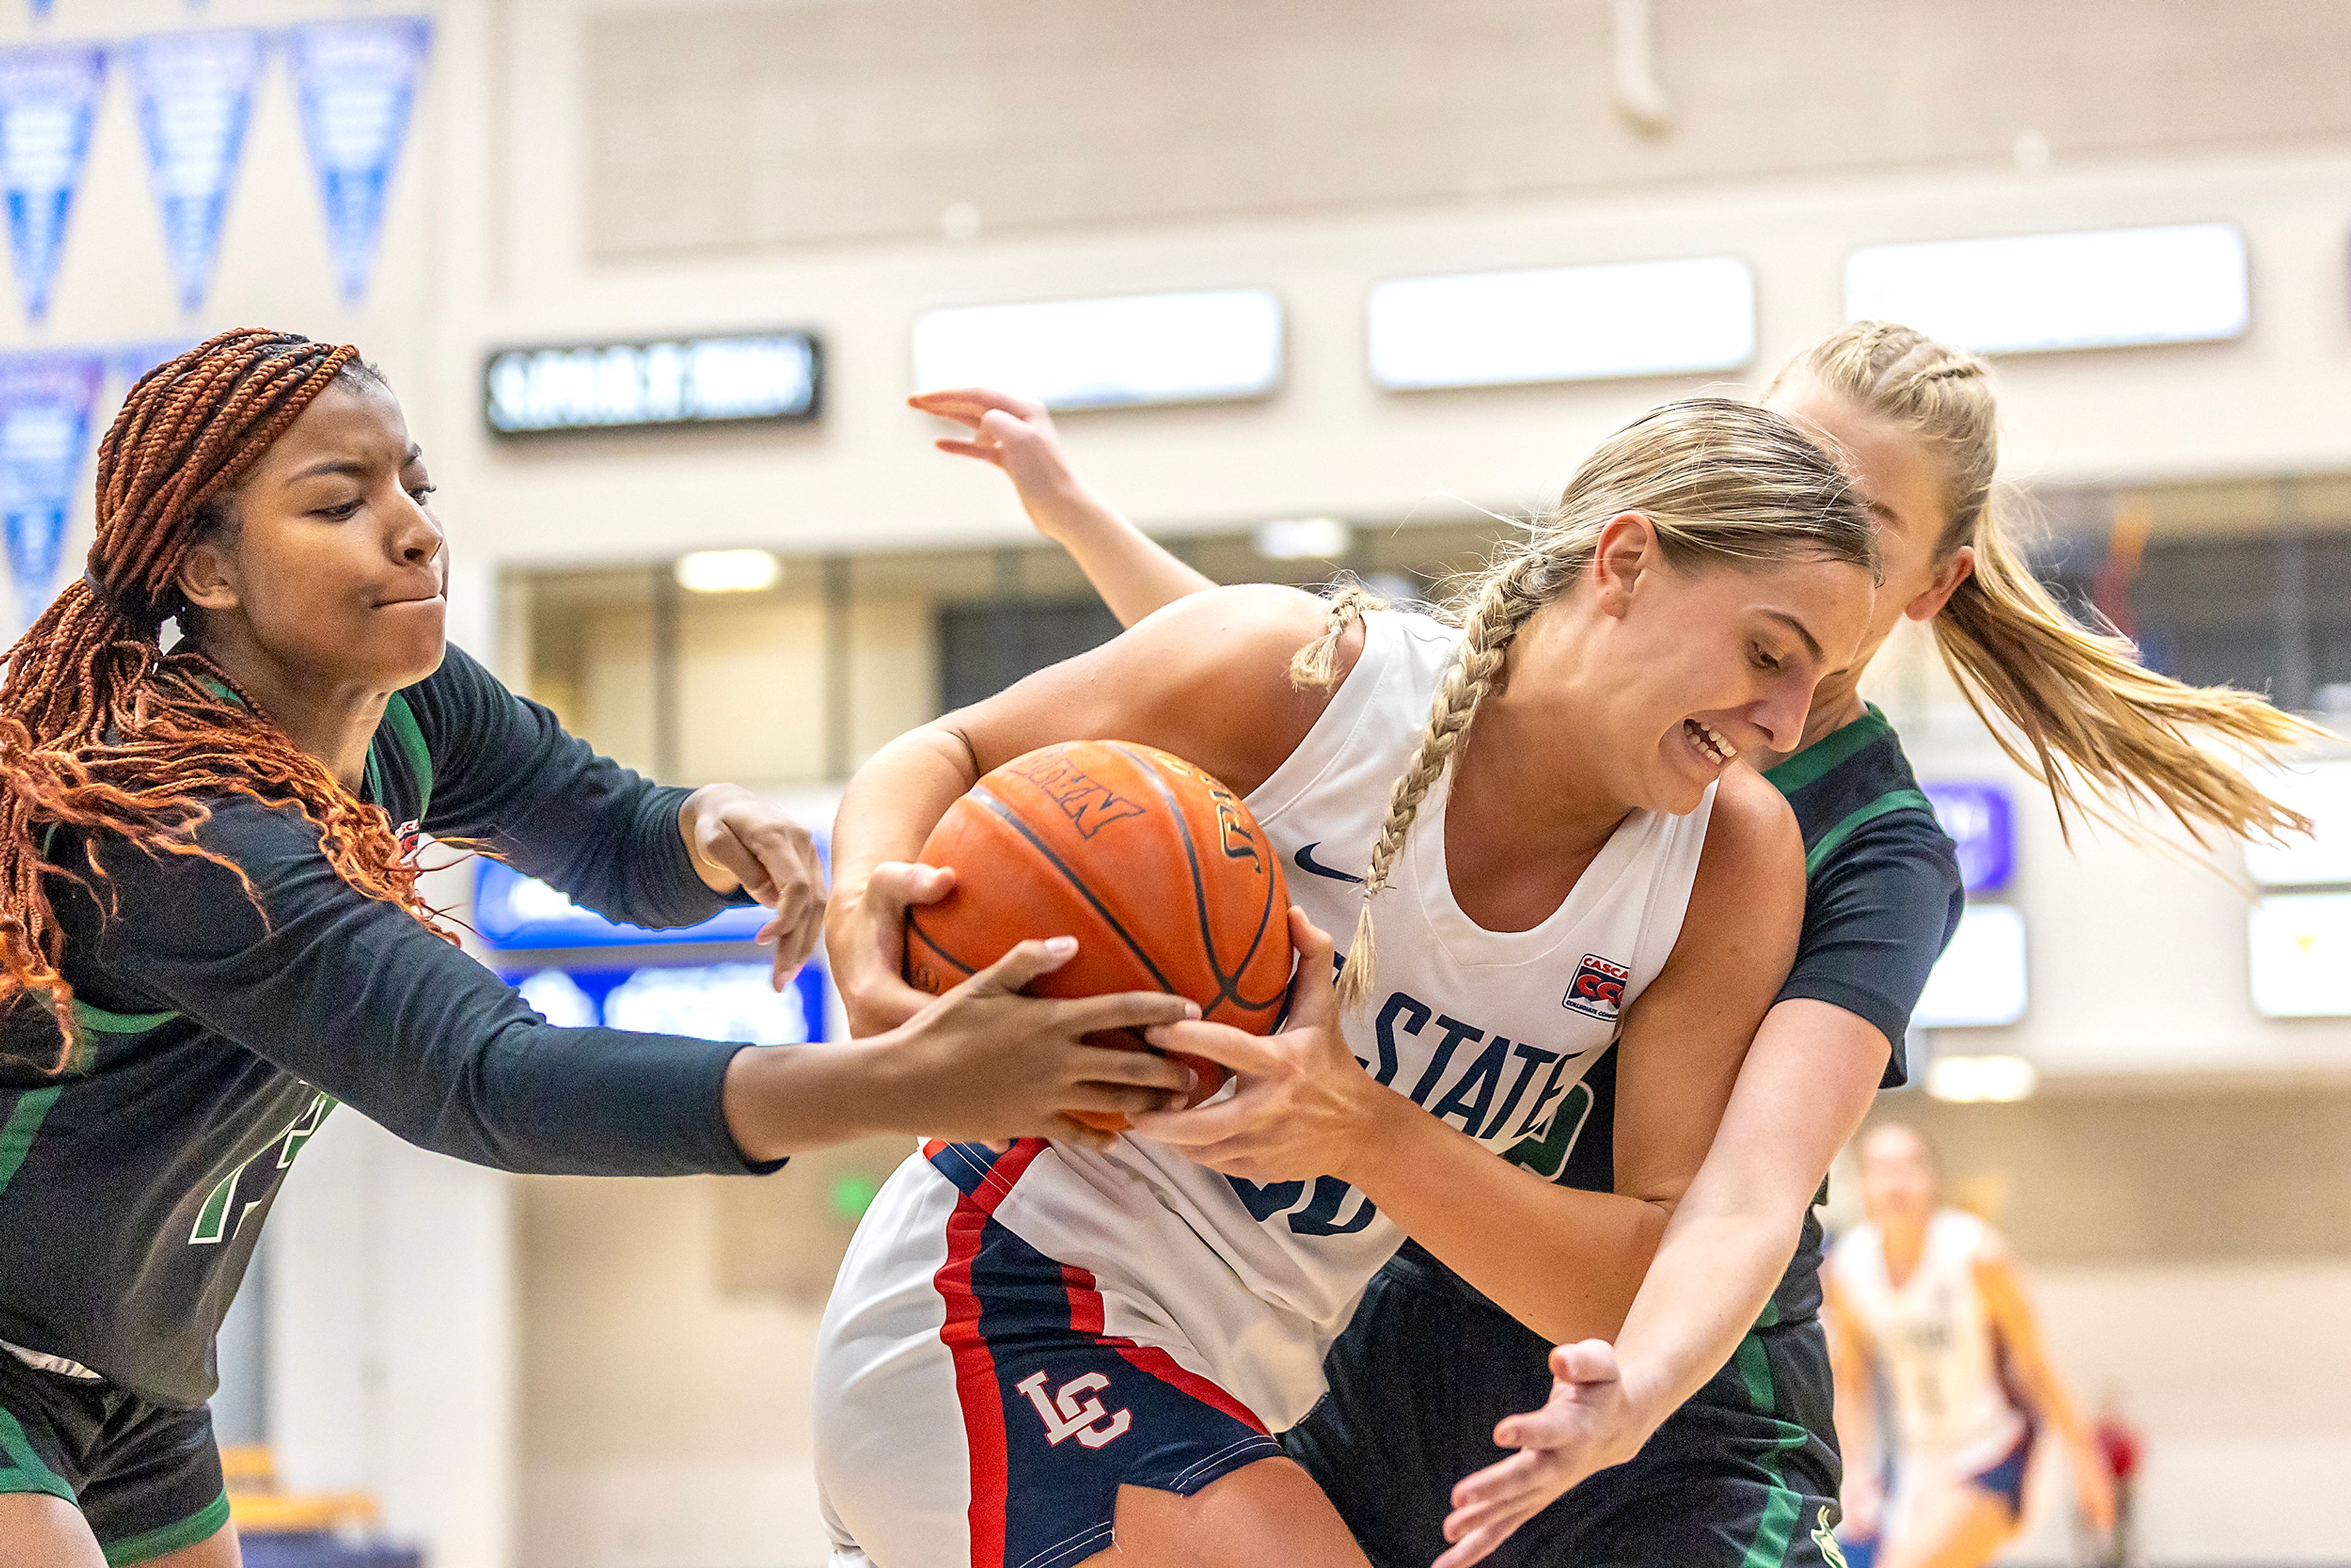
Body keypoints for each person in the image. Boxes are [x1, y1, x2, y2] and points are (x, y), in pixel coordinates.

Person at [908, 321, 2314, 1568]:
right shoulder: (1603, 665)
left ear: (1929, 588)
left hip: (1676, 1401)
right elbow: (1313, 699)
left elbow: (1744, 1197)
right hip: (1406, 1356)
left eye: (1862, 524)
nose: (1809, 517)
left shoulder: (1859, 845)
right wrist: (1075, 511)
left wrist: (1637, 1381)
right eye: (1785, 465)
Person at [0, 330, 1202, 1568]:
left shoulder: (408, 712)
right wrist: (911, 1079)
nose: (413, 530)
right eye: (340, 503)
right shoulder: (180, 836)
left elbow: (611, 833)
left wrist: (709, 822)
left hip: (134, 1377)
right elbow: (491, 1079)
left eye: (416, 486)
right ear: (205, 566)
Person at [815, 394, 1881, 1568]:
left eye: (1812, 682)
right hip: (996, 1295)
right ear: (1624, 562)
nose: (1784, 721)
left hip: (1233, 1396)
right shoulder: (1305, 681)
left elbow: (1635, 1282)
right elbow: (949, 754)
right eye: (1767, 653)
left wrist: (1367, 1134)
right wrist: (866, 922)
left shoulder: (1731, 858)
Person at [1824, 1123, 2115, 1568]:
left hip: (1993, 1448)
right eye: (1882, 1168)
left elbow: (2037, 1364)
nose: (1897, 1181)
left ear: (1933, 1179)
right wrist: (1854, 1468)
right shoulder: (1850, 1268)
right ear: (1862, 1183)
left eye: (1910, 1166)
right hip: (1915, 1459)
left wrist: (2087, 1461)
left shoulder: (1976, 1254)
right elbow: (1853, 1382)